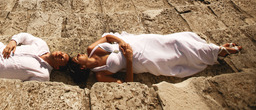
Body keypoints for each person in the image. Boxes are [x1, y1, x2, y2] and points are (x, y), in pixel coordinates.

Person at [69, 31, 242, 84]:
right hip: (138, 60)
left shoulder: (91, 49)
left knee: (174, 41)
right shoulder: (101, 75)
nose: (78, 54)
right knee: (170, 59)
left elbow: (108, 37)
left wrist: (121, 42)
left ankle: (214, 50)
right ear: (83, 68)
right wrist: (128, 59)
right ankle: (215, 52)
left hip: (136, 42)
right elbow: (128, 83)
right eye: (77, 59)